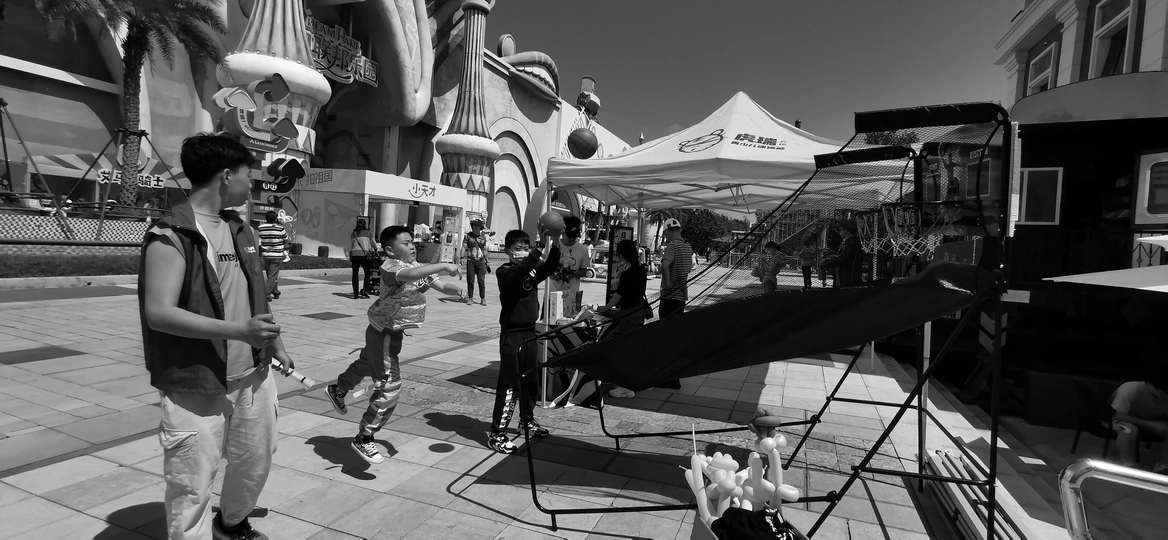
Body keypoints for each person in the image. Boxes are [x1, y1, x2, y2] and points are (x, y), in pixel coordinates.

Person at [138, 133, 293, 540]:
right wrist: (238, 331)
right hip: (196, 380)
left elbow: (255, 293)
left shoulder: (241, 230)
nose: (251, 186)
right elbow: (159, 314)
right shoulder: (171, 234)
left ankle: (232, 524)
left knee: (255, 460)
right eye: (247, 177)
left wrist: (274, 344)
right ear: (226, 176)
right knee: (192, 483)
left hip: (253, 375)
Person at [325, 226, 464, 464]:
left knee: (367, 363)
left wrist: (457, 290)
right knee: (390, 387)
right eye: (406, 243)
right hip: (384, 333)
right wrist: (442, 264)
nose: (412, 246)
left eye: (412, 242)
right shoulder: (391, 267)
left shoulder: (416, 267)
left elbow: (440, 286)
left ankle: (339, 389)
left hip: (388, 332)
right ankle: (365, 436)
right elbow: (409, 276)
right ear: (390, 250)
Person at [489, 227, 561, 453]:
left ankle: (526, 420)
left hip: (530, 333)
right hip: (512, 335)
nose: (523, 252)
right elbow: (521, 270)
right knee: (510, 386)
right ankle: (497, 434)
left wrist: (555, 242)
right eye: (518, 248)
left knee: (531, 382)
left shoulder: (530, 271)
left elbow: (549, 267)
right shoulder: (504, 272)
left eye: (525, 248)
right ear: (508, 251)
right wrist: (539, 247)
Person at [599, 239, 649, 399]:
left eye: (618, 253)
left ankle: (625, 387)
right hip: (638, 311)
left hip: (629, 314)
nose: (617, 256)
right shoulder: (641, 270)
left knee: (623, 347)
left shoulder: (628, 274)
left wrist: (604, 308)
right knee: (630, 346)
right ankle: (626, 381)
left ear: (622, 254)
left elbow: (618, 296)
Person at [656, 217, 692, 389]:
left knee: (666, 337)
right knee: (674, 336)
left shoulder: (672, 246)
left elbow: (664, 265)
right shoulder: (687, 247)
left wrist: (667, 283)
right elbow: (688, 268)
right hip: (681, 297)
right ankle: (674, 376)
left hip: (669, 297)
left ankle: (668, 378)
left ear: (668, 232)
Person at [1108, 376, 1168, 473]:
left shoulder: (1163, 397)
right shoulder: (1131, 388)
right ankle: (1128, 466)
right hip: (1116, 420)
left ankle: (1163, 466)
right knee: (1129, 429)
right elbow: (1118, 415)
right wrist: (1150, 424)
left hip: (1148, 420)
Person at [547, 215, 591, 318]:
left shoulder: (582, 249)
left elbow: (584, 271)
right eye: (569, 235)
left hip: (572, 297)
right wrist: (555, 273)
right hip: (553, 295)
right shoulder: (552, 246)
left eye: (574, 236)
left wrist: (571, 273)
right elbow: (546, 268)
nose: (572, 239)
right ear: (563, 231)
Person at [257, 211, 289, 301]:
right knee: (272, 276)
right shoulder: (280, 228)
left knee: (270, 275)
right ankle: (265, 294)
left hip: (266, 254)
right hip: (276, 255)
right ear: (275, 219)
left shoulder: (261, 227)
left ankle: (275, 291)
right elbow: (286, 239)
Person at [821, 221, 862, 288]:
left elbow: (843, 257)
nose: (840, 232)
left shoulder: (852, 242)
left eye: (841, 230)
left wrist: (827, 263)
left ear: (846, 231)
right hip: (844, 276)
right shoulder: (847, 242)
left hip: (848, 278)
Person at [349, 219, 378, 299]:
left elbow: (352, 245)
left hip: (354, 255)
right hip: (364, 255)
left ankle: (355, 294)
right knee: (367, 272)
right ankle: (365, 290)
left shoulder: (353, 234)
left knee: (355, 274)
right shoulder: (368, 233)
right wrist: (375, 249)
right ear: (365, 224)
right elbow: (374, 245)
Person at [464, 219, 490, 305]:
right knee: (470, 280)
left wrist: (487, 261)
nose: (474, 227)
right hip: (470, 260)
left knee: (481, 281)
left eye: (476, 226)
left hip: (480, 261)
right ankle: (470, 298)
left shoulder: (482, 238)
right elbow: (464, 247)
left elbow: (484, 250)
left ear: (480, 227)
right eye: (473, 225)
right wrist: (461, 257)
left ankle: (483, 298)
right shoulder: (468, 236)